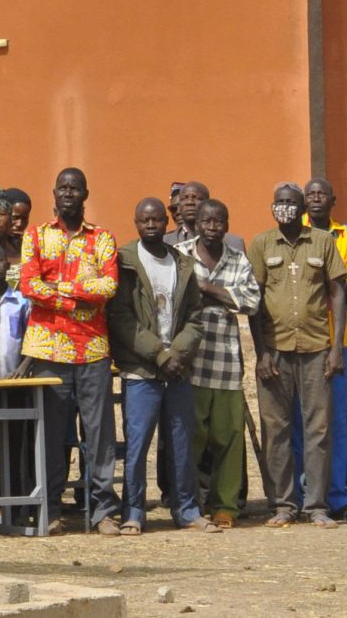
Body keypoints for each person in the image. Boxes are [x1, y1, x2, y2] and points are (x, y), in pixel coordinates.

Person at [19, 166, 119, 534]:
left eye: (75, 188)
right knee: (51, 434)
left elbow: (107, 287)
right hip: (48, 349)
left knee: (100, 434)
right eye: (62, 187)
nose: (68, 193)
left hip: (92, 349)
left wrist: (59, 291)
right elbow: (29, 284)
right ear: (54, 193)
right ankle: (51, 508)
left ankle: (103, 511)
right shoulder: (37, 236)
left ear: (85, 194)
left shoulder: (102, 239)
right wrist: (75, 299)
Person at [250, 180, 346, 528]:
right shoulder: (261, 244)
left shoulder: (323, 241)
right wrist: (261, 353)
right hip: (274, 352)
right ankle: (283, 505)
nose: (285, 207)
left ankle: (317, 505)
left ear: (303, 209)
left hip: (317, 349)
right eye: (280, 202)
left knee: (317, 429)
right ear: (273, 207)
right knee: (276, 428)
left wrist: (336, 349)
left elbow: (336, 293)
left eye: (292, 202)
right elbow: (253, 302)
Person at [111, 195, 203, 534]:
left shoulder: (182, 264)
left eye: (156, 220)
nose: (151, 226)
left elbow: (195, 316)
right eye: (144, 220)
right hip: (142, 370)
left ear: (167, 223)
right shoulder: (126, 261)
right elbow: (121, 317)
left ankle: (187, 511)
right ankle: (133, 512)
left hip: (178, 369)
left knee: (180, 442)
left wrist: (177, 353)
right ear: (136, 223)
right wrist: (159, 354)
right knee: (138, 445)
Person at [183, 198, 259, 529]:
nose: (213, 228)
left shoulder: (238, 259)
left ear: (226, 226)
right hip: (189, 362)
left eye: (219, 222)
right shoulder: (181, 255)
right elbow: (180, 298)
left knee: (228, 437)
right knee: (191, 438)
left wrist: (205, 287)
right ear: (196, 224)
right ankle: (189, 504)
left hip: (227, 363)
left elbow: (251, 302)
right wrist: (225, 296)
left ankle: (225, 505)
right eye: (207, 221)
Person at [298, 178, 347, 519]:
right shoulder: (294, 232)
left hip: (337, 342)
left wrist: (319, 286)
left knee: (335, 424)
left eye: (321, 193)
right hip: (299, 343)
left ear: (333, 199)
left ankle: (338, 498)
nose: (315, 199)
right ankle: (303, 497)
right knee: (301, 422)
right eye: (309, 194)